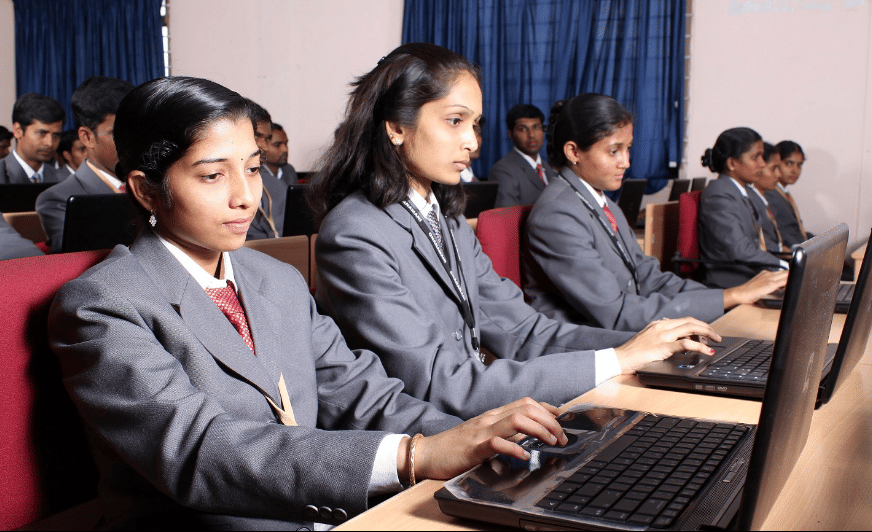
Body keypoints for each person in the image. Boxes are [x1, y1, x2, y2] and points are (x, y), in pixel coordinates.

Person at [48, 76, 569, 530]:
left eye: (252, 169)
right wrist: (417, 455)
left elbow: (362, 394)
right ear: (145, 190)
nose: (245, 197)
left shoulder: (276, 279)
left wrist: (476, 438)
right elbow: (200, 451)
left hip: (325, 512)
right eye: (212, 175)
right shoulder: (103, 304)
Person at [312, 43, 719, 420]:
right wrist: (616, 359)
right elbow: (438, 382)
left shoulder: (446, 219)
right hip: (427, 436)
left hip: (478, 415)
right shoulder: (355, 233)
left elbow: (524, 330)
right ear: (396, 127)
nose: (472, 142)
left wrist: (638, 347)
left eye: (475, 124)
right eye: (455, 121)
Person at [522, 94, 787, 332]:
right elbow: (615, 313)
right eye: (614, 151)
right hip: (594, 343)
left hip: (627, 327)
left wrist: (727, 297)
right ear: (573, 152)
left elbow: (649, 278)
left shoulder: (603, 203)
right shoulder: (558, 214)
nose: (626, 162)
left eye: (628, 149)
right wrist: (730, 297)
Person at [35, 76, 134, 253]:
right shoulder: (58, 200)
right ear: (87, 137)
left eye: (135, 130)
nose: (132, 142)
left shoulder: (152, 185)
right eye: (118, 133)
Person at [698, 127, 789, 289]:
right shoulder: (719, 194)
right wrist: (785, 266)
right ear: (732, 163)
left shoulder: (740, 192)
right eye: (755, 157)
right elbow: (740, 250)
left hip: (751, 275)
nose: (762, 164)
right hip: (734, 282)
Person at [489, 103, 557, 206]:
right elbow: (507, 218)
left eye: (536, 127)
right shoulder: (502, 171)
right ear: (511, 134)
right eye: (523, 129)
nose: (531, 135)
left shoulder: (546, 167)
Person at [0, 93, 66, 184]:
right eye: (42, 133)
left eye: (55, 135)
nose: (50, 143)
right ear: (18, 131)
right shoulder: (2, 175)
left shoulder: (64, 180)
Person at [245, 99, 287, 239]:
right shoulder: (216, 186)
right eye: (257, 136)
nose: (265, 147)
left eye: (268, 139)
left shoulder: (278, 187)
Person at [747, 142, 788, 254]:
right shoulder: (749, 201)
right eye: (774, 168)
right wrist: (781, 251)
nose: (779, 175)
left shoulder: (761, 199)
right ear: (758, 167)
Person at [766, 140, 809, 247]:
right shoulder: (769, 194)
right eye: (788, 164)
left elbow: (796, 230)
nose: (795, 170)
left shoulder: (783, 193)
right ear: (775, 162)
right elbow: (782, 234)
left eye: (799, 165)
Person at [460, 115, 484, 182]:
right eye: (473, 133)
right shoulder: (446, 183)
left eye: (479, 133)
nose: (478, 140)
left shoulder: (473, 179)